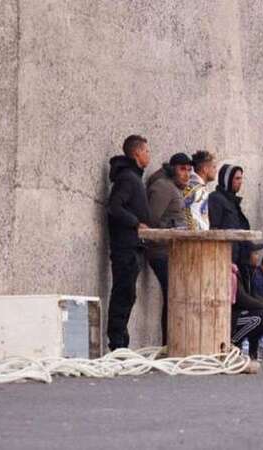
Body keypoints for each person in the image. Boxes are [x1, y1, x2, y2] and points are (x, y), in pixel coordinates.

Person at [106, 134, 151, 350]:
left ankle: (121, 344)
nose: (148, 155)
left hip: (133, 247)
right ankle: (117, 344)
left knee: (128, 294)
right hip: (125, 247)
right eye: (146, 151)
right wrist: (136, 224)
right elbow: (114, 207)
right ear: (137, 153)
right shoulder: (127, 178)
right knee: (123, 293)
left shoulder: (134, 177)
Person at [145, 152, 191, 345]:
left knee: (175, 296)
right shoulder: (163, 187)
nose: (186, 174)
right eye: (182, 169)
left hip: (172, 251)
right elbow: (152, 220)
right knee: (173, 295)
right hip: (161, 251)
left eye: (189, 170)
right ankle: (169, 344)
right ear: (172, 168)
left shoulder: (174, 187)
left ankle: (172, 343)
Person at [209, 164, 263, 293]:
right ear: (227, 179)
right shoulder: (216, 199)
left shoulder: (232, 201)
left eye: (241, 178)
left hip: (239, 258)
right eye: (237, 179)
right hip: (225, 258)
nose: (240, 182)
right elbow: (214, 228)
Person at [184, 150, 216, 231]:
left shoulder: (199, 188)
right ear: (205, 169)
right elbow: (186, 213)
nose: (216, 170)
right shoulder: (194, 188)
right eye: (214, 167)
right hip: (194, 239)